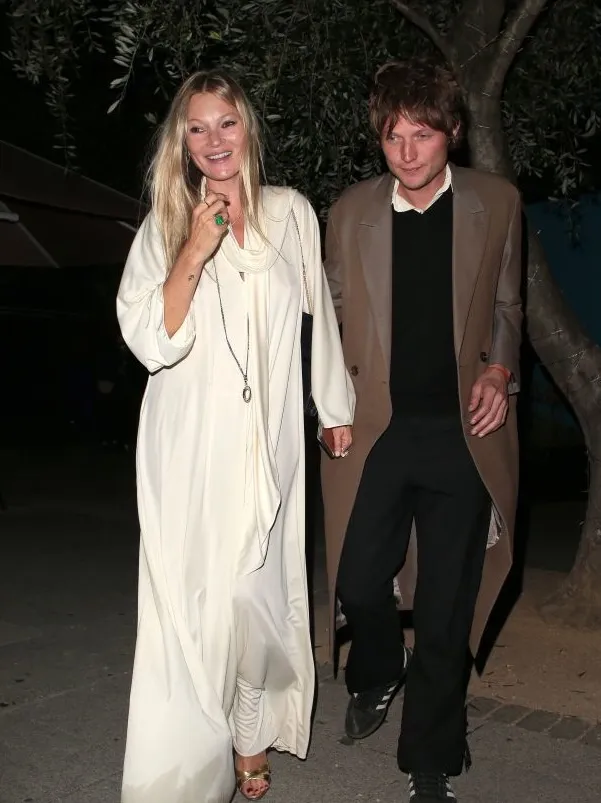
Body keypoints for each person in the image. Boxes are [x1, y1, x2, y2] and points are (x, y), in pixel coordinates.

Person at [117, 69, 355, 803]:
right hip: (190, 444)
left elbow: (318, 316)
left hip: (269, 438)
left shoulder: (290, 212)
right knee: (196, 608)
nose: (213, 139)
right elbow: (150, 340)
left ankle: (249, 734)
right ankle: (187, 772)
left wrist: (332, 404)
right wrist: (193, 249)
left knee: (257, 594)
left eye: (226, 122)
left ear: (247, 127)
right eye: (197, 127)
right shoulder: (164, 223)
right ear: (181, 142)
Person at [321, 59, 522, 802]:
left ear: (453, 133)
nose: (406, 152)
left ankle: (429, 757)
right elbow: (327, 322)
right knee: (355, 579)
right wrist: (327, 406)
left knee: (444, 605)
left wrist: (499, 372)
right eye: (392, 136)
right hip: (374, 432)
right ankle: (378, 668)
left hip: (461, 436)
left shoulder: (495, 202)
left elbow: (508, 306)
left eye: (423, 135)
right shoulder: (350, 212)